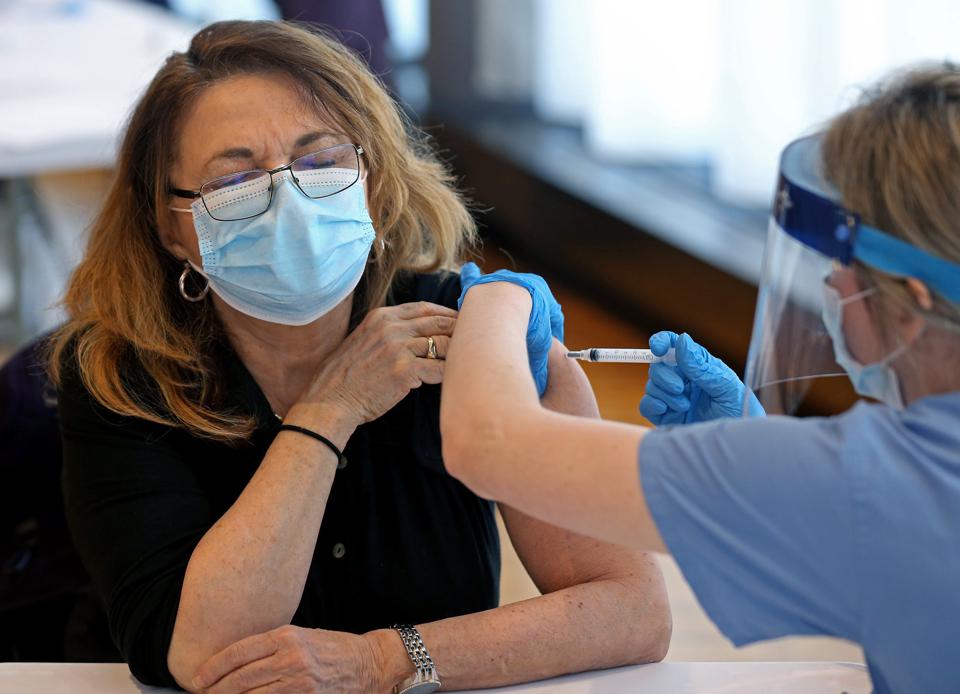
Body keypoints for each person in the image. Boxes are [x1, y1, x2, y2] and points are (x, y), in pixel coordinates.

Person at [48, 20, 671, 693]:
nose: (289, 202)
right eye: (236, 181)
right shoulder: (118, 376)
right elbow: (203, 656)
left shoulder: (463, 334)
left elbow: (631, 610)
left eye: (320, 161)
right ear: (171, 227)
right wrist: (330, 410)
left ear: (370, 178)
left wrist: (382, 661)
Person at [442, 66, 960, 694]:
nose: (828, 285)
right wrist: (753, 443)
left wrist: (495, 302)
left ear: (914, 299)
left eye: (842, 265)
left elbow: (487, 444)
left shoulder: (879, 480)